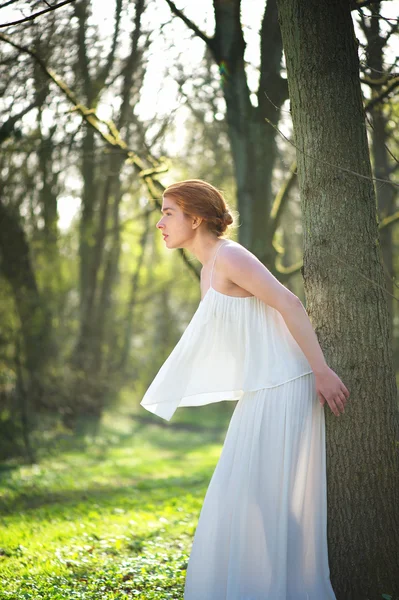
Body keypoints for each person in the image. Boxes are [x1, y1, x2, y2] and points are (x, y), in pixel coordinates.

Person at [140, 179, 349, 600]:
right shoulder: (208, 268)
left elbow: (288, 303)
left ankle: (285, 588)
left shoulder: (230, 256)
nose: (159, 223)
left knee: (256, 495)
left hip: (287, 385)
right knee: (245, 497)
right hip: (263, 389)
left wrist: (322, 371)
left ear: (195, 219)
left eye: (168, 213)